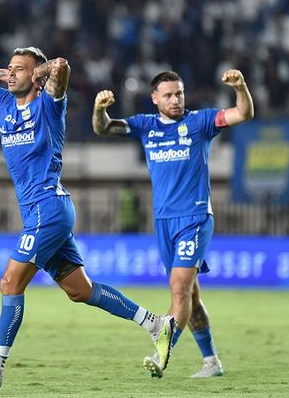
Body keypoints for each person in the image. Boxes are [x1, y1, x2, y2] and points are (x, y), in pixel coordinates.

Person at [0, 47, 176, 391]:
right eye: (9, 68)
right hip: (44, 212)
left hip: (48, 209)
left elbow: (62, 68)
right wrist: (8, 73)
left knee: (10, 283)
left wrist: (42, 72)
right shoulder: (4, 102)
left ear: (36, 77)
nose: (11, 74)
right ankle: (155, 324)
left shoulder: (48, 105)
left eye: (19, 69)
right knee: (80, 290)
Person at [91, 69, 254, 378]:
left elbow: (244, 113)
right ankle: (212, 362)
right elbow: (103, 129)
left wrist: (241, 87)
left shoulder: (200, 122)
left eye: (179, 93)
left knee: (178, 289)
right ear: (155, 99)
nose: (175, 99)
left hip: (194, 218)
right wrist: (100, 109)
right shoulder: (144, 126)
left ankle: (161, 352)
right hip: (164, 221)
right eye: (168, 95)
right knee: (190, 296)